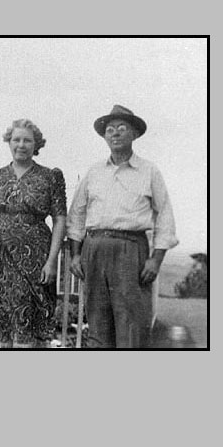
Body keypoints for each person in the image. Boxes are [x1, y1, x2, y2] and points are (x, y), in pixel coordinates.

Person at [67, 105, 178, 348]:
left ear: (134, 134)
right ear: (105, 136)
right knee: (97, 322)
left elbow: (165, 216)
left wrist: (155, 260)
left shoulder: (149, 171)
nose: (115, 133)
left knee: (131, 325)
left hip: (130, 251)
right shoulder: (94, 171)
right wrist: (75, 255)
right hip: (94, 249)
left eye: (121, 128)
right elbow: (76, 214)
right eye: (109, 130)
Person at [0, 119, 67, 348]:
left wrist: (52, 261)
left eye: (27, 140)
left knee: (27, 320)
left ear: (36, 144)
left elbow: (60, 219)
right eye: (16, 139)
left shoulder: (49, 177)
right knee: (2, 320)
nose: (21, 145)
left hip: (33, 258)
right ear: (9, 142)